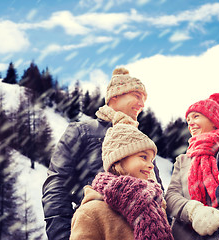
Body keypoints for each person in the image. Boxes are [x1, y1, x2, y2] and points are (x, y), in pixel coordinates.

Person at [42, 67, 163, 240]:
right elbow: (56, 184)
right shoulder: (82, 131)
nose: (142, 104)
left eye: (144, 99)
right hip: (96, 230)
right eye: (137, 96)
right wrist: (63, 236)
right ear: (115, 96)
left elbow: (158, 190)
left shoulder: (142, 142)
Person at [69, 123, 173, 240]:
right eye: (143, 157)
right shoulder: (90, 213)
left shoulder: (155, 206)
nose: (151, 165)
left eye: (151, 160)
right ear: (119, 158)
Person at [165, 93, 219, 240]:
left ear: (214, 121)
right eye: (188, 119)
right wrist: (194, 211)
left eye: (196, 117)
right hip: (185, 234)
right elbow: (170, 197)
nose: (190, 123)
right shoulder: (183, 160)